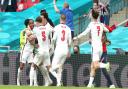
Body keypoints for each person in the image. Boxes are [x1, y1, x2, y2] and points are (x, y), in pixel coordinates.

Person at [73, 9, 112, 88]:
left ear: (92, 15)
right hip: (100, 47)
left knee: (96, 64)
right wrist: (103, 28)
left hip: (95, 47)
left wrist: (77, 37)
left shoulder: (91, 24)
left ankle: (105, 65)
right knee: (93, 66)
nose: (89, 15)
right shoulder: (101, 24)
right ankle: (90, 84)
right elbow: (108, 30)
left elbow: (85, 33)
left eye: (90, 14)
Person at [50, 14, 72, 86]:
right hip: (65, 50)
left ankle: (58, 79)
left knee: (51, 68)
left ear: (60, 19)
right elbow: (70, 42)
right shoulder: (68, 29)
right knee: (60, 67)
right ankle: (59, 83)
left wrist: (51, 46)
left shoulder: (57, 27)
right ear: (65, 20)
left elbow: (54, 39)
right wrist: (69, 51)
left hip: (58, 49)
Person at [32, 15, 53, 86]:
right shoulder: (47, 28)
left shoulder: (36, 29)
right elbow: (53, 30)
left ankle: (33, 84)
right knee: (44, 66)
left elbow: (32, 35)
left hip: (40, 51)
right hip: (46, 51)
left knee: (33, 65)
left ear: (37, 22)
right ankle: (51, 80)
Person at [17, 19, 38, 86]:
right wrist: (35, 36)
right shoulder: (26, 30)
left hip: (31, 51)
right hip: (25, 50)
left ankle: (34, 83)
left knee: (33, 66)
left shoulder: (32, 30)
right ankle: (18, 82)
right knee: (21, 66)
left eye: (33, 23)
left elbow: (33, 38)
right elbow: (30, 39)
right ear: (27, 24)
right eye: (31, 23)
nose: (33, 24)